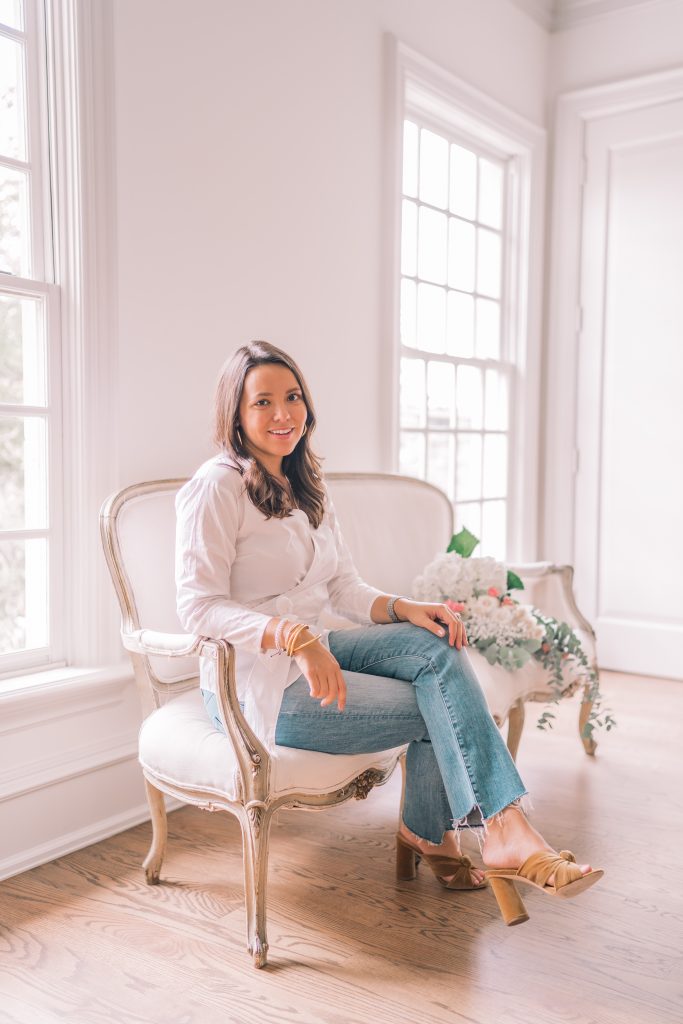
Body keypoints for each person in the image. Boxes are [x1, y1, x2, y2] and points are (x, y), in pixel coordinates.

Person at [175, 340, 602, 924]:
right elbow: (198, 607)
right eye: (263, 402)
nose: (283, 414)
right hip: (252, 686)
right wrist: (292, 637)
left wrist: (405, 607)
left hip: (318, 650)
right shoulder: (216, 487)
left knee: (434, 646)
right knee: (441, 699)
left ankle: (487, 829)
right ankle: (457, 832)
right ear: (236, 413)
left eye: (293, 397)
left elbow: (343, 588)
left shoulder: (306, 483)